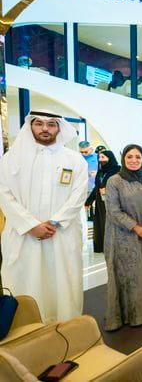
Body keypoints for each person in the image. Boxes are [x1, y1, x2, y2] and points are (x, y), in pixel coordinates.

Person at [0, 110, 88, 323]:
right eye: (39, 123)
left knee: (63, 286)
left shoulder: (74, 160)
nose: (45, 128)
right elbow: (4, 194)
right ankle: (28, 330)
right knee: (26, 283)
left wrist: (55, 221)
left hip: (62, 235)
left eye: (51, 124)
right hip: (24, 236)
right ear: (30, 126)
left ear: (59, 128)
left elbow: (79, 194)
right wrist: (31, 225)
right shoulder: (11, 159)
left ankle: (66, 329)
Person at [104, 144, 142, 330]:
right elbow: (113, 211)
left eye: (138, 157)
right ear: (123, 159)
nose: (134, 160)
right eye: (129, 156)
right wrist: (136, 228)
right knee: (130, 275)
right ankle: (134, 315)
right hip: (124, 236)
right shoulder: (114, 181)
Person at [85, 150, 120, 253]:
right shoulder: (100, 172)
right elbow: (96, 187)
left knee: (111, 224)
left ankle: (114, 246)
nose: (100, 160)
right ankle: (103, 246)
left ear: (110, 158)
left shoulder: (117, 171)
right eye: (99, 158)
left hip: (113, 202)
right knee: (101, 223)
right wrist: (88, 201)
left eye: (103, 157)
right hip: (101, 202)